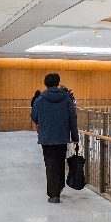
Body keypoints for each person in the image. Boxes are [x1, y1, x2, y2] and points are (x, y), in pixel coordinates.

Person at [31, 73, 78, 204]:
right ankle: (59, 187)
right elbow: (72, 119)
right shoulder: (66, 99)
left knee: (50, 165)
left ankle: (53, 194)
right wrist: (75, 137)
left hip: (46, 138)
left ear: (45, 83)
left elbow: (34, 116)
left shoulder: (40, 99)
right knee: (60, 163)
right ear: (58, 83)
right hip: (62, 137)